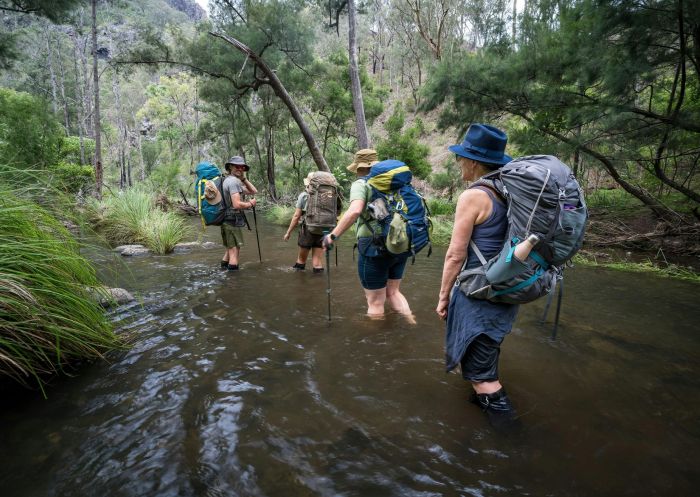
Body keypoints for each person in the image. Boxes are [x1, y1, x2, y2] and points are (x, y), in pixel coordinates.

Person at [435, 123, 520, 429]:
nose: (459, 164)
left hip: (478, 294)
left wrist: (443, 297)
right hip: (508, 291)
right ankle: (481, 408)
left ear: (472, 161)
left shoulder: (474, 196)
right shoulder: (510, 191)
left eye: (461, 159)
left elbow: (455, 254)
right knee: (485, 353)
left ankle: (513, 441)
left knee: (482, 377)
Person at [321, 149, 413, 321]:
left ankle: (377, 343)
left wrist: (332, 236)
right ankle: (411, 323)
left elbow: (355, 211)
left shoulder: (361, 184)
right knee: (393, 292)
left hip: (374, 247)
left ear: (359, 168)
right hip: (399, 241)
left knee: (375, 302)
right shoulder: (394, 183)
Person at [220, 155, 258, 271]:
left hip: (226, 220)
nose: (240, 169)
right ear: (230, 167)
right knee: (234, 251)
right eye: (237, 166)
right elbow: (237, 204)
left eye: (242, 167)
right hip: (231, 221)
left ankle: (223, 271)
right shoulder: (233, 182)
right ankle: (233, 283)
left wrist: (243, 179)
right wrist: (250, 204)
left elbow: (253, 191)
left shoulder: (230, 181)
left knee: (230, 249)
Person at [283, 172, 325, 273]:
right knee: (317, 263)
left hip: (308, 229)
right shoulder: (325, 196)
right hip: (322, 230)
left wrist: (288, 232)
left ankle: (300, 284)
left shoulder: (304, 195)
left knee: (301, 261)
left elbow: (297, 216)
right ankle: (318, 285)